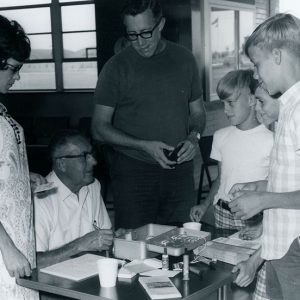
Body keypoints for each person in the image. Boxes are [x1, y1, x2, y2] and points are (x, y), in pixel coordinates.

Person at [92, 0, 206, 229]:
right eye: (132, 35)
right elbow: (99, 128)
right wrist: (144, 145)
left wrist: (193, 137)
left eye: (146, 33)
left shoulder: (184, 60)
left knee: (180, 242)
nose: (140, 42)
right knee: (136, 247)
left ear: (161, 24)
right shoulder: (115, 68)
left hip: (179, 171)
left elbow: (197, 112)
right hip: (134, 172)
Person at [229, 13, 300, 300]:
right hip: (280, 247)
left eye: (257, 65)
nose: (256, 75)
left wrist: (264, 200)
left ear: (278, 56)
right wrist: (260, 187)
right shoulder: (287, 107)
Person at [190, 69, 274, 300]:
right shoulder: (221, 136)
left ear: (250, 99)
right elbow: (220, 178)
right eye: (222, 104)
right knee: (224, 271)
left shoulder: (271, 140)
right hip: (223, 213)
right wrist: (205, 204)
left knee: (250, 273)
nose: (225, 111)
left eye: (230, 103)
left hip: (254, 218)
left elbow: (273, 187)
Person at [0, 15, 47, 300]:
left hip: (17, 239)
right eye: (13, 69)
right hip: (5, 248)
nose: (17, 77)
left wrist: (19, 177)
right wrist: (7, 248)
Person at [34, 130, 114, 269]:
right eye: (84, 157)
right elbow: (34, 262)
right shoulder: (39, 198)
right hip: (54, 283)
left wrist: (117, 238)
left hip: (89, 273)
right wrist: (78, 245)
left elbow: (103, 236)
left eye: (92, 154)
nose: (94, 162)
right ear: (62, 164)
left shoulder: (93, 186)